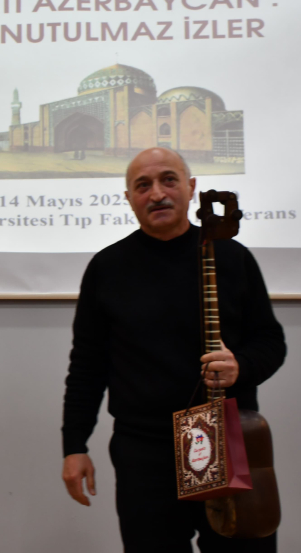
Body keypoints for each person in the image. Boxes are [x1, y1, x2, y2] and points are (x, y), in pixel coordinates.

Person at [61, 147, 286, 552]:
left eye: (168, 180)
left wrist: (241, 366)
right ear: (129, 198)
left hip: (227, 438)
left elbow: (271, 342)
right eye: (142, 185)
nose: (157, 194)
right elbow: (87, 367)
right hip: (145, 452)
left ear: (191, 187)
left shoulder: (232, 257)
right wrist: (74, 445)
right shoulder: (107, 268)